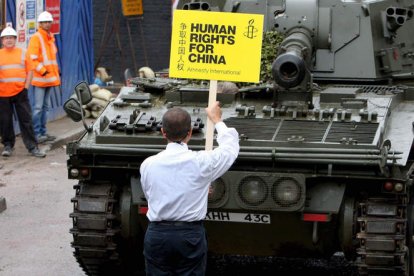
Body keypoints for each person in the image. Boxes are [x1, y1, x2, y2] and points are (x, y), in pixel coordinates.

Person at [140, 102, 239, 275]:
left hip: (157, 234)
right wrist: (217, 120)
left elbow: (152, 194)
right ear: (190, 133)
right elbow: (230, 149)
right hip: (189, 235)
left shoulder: (148, 164)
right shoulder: (201, 162)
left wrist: (194, 191)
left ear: (163, 132)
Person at [0, 27, 46, 158]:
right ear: (2, 40)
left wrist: (26, 87)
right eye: (6, 38)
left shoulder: (22, 52)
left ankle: (32, 147)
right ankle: (8, 145)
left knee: (26, 120)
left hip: (20, 92)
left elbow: (30, 70)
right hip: (2, 94)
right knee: (5, 121)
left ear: (15, 40)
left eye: (11, 38)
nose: (8, 40)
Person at [27, 11, 60, 144]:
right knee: (38, 108)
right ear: (39, 24)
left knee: (45, 107)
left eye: (48, 22)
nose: (47, 24)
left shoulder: (50, 38)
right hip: (41, 79)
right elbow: (32, 58)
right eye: (44, 22)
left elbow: (51, 59)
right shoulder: (37, 37)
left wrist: (53, 73)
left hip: (49, 79)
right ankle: (36, 134)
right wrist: (43, 71)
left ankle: (43, 132)